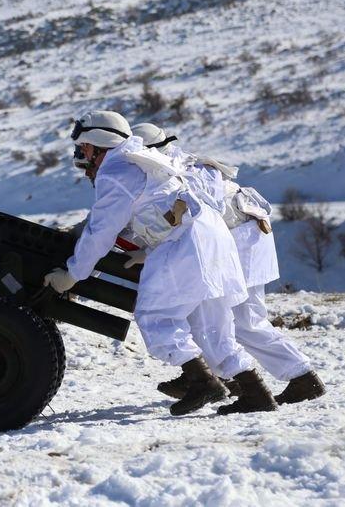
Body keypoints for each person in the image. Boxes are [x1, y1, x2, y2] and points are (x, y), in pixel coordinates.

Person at [44, 110, 277, 415]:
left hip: (183, 242)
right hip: (211, 236)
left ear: (99, 143)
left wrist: (72, 274)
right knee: (212, 328)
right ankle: (256, 393)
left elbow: (100, 232)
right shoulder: (138, 160)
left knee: (154, 314)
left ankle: (202, 382)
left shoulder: (117, 173)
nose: (82, 157)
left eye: (84, 149)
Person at [132, 123, 325, 409]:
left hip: (240, 237)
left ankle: (301, 377)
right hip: (243, 233)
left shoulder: (179, 169)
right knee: (213, 313)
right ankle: (209, 376)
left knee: (242, 320)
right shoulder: (179, 164)